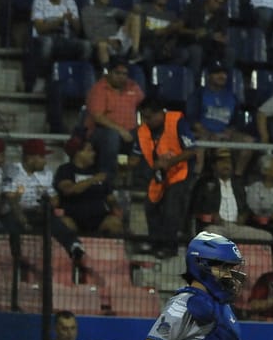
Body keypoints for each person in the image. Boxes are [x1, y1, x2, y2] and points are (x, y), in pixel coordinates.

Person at [2, 138, 89, 262]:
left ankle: (74, 247)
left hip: (36, 211)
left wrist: (50, 204)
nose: (45, 161)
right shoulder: (12, 170)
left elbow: (54, 198)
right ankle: (17, 259)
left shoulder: (46, 173)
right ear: (30, 158)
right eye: (42, 157)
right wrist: (24, 221)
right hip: (13, 212)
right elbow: (11, 200)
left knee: (53, 219)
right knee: (13, 222)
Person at [130, 97, 199, 251]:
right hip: (158, 175)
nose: (146, 121)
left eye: (149, 117)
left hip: (179, 173)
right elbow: (135, 155)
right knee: (150, 206)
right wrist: (129, 163)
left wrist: (170, 162)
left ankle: (169, 246)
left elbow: (191, 150)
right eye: (144, 117)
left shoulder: (176, 122)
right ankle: (155, 243)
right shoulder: (142, 131)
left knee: (171, 208)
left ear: (160, 113)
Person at [27, 0, 93, 127]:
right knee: (47, 44)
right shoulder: (39, 2)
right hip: (44, 39)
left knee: (86, 46)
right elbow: (39, 28)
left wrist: (71, 20)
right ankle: (41, 77)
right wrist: (59, 20)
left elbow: (77, 30)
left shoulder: (69, 2)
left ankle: (82, 78)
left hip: (66, 39)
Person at [186, 60, 254, 178]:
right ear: (209, 76)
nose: (222, 76)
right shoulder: (199, 94)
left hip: (223, 135)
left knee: (249, 141)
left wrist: (229, 132)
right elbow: (193, 121)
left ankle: (237, 177)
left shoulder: (231, 96)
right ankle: (195, 177)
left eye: (224, 73)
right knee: (200, 144)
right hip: (203, 134)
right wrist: (210, 134)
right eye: (217, 73)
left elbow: (234, 123)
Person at [83, 56, 145, 185]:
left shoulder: (133, 86)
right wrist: (121, 131)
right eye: (118, 73)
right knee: (111, 136)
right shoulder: (99, 89)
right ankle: (108, 180)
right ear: (109, 72)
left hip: (129, 132)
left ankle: (141, 180)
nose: (122, 77)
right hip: (100, 133)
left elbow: (145, 108)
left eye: (125, 74)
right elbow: (98, 117)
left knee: (148, 134)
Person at [189, 149, 273, 242]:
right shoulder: (204, 183)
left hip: (236, 227)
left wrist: (243, 216)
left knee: (267, 237)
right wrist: (211, 216)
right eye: (222, 162)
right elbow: (195, 207)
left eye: (228, 162)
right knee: (212, 234)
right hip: (216, 226)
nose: (226, 165)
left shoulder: (238, 184)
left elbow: (246, 208)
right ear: (214, 166)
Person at [54, 136, 124, 236]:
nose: (94, 154)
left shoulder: (97, 171)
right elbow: (68, 189)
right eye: (90, 150)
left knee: (114, 224)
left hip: (98, 218)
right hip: (73, 218)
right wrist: (93, 180)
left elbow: (110, 197)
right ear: (78, 153)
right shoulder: (65, 170)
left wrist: (115, 207)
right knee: (63, 224)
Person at [126, 0, 187, 70]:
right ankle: (151, 78)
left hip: (163, 48)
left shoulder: (172, 15)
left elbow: (174, 36)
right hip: (147, 46)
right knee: (147, 53)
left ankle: (166, 74)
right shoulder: (144, 9)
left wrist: (169, 45)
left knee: (183, 54)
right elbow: (139, 32)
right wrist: (158, 32)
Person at [178, 0, 232, 76]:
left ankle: (224, 81)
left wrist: (221, 38)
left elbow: (221, 34)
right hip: (190, 43)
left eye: (220, 3)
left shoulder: (222, 14)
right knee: (196, 51)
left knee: (230, 52)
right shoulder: (192, 8)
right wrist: (195, 32)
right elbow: (179, 29)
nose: (217, 5)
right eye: (215, 1)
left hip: (210, 46)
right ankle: (193, 82)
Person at [82, 0, 133, 68]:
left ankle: (135, 53)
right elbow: (89, 35)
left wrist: (126, 24)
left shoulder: (113, 10)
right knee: (102, 46)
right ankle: (106, 74)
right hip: (103, 43)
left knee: (135, 19)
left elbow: (132, 16)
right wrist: (108, 41)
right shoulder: (87, 11)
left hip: (119, 41)